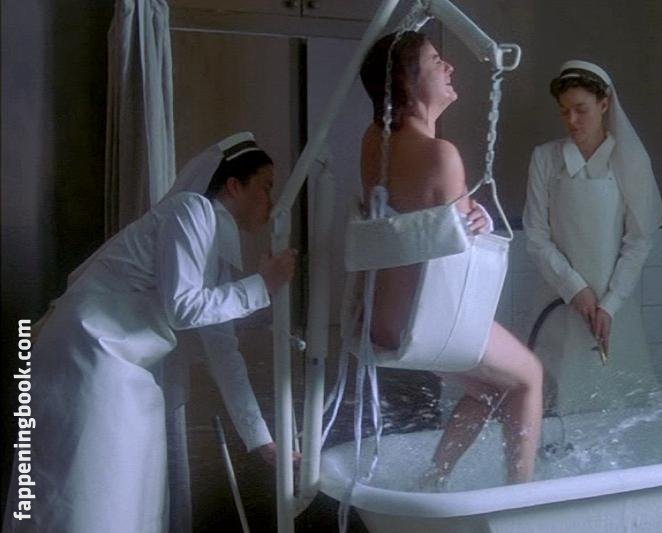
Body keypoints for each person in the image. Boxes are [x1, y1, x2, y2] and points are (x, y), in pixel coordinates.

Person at [3, 133, 297, 533]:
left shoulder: (215, 255)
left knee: (127, 489)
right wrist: (262, 285)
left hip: (118, 364)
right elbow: (184, 308)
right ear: (233, 185)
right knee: (85, 490)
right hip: (87, 354)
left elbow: (223, 351)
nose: (271, 200)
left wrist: (261, 439)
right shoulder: (191, 210)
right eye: (265, 186)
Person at [355, 31, 543, 486]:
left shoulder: (374, 141)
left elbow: (425, 216)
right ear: (406, 79)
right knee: (529, 377)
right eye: (436, 60)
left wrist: (469, 214)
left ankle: (434, 479)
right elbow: (463, 247)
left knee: (489, 388)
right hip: (427, 322)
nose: (449, 67)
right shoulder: (441, 155)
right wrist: (478, 216)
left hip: (381, 320)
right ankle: (521, 495)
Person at [523, 60, 662, 415]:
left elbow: (639, 240)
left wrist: (610, 302)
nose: (572, 120)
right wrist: (574, 288)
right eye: (564, 111)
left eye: (581, 109)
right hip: (557, 299)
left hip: (613, 305)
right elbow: (536, 235)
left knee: (618, 404)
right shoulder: (545, 158)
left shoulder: (630, 162)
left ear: (604, 104)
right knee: (552, 403)